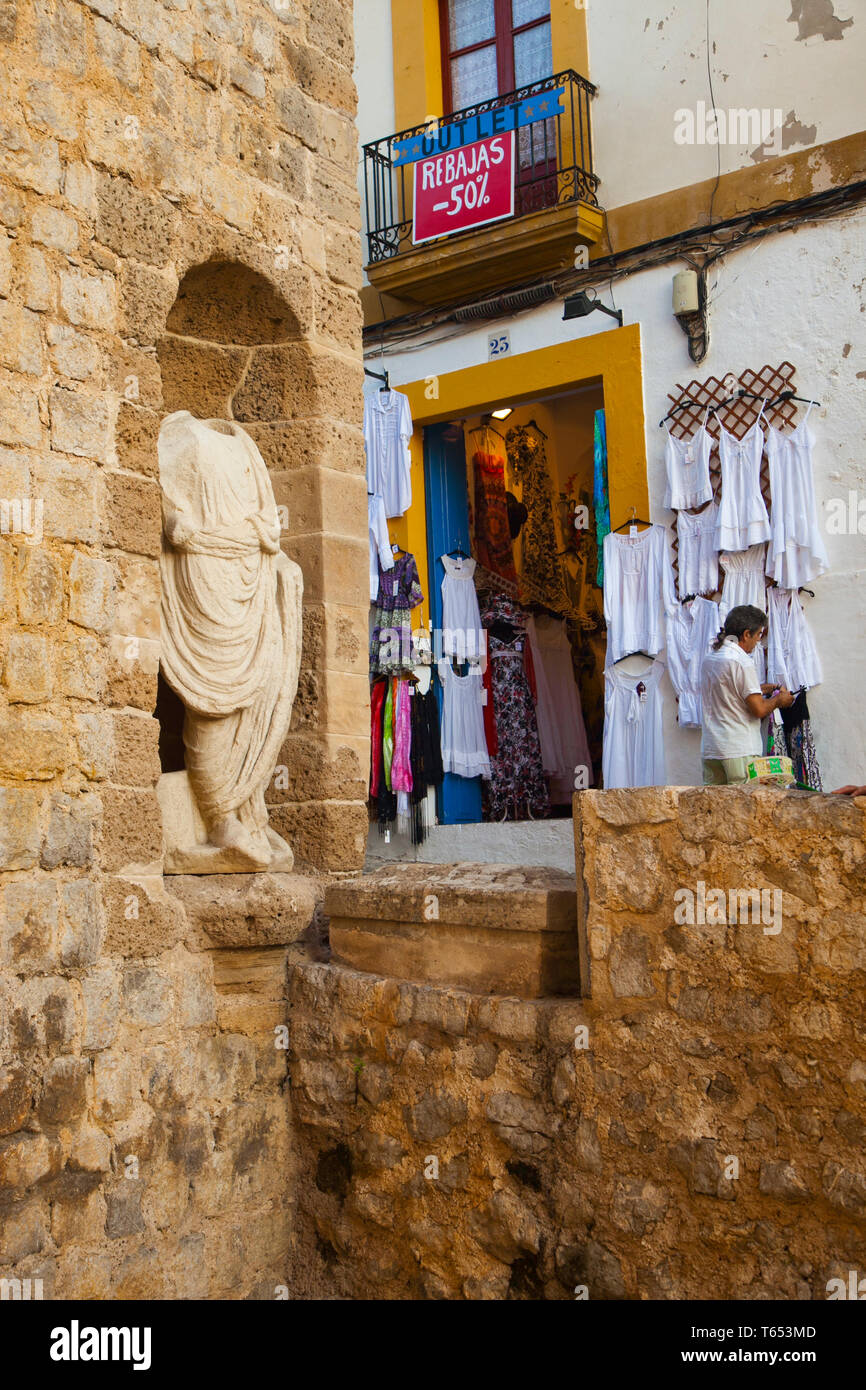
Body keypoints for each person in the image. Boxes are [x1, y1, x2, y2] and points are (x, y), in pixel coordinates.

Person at [700, 604, 794, 785]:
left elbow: (731, 692)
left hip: (712, 748)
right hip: (739, 749)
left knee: (715, 809)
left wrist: (765, 688)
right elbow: (758, 709)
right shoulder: (742, 661)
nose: (759, 641)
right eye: (759, 634)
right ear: (746, 634)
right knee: (742, 808)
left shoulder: (710, 658)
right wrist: (779, 700)